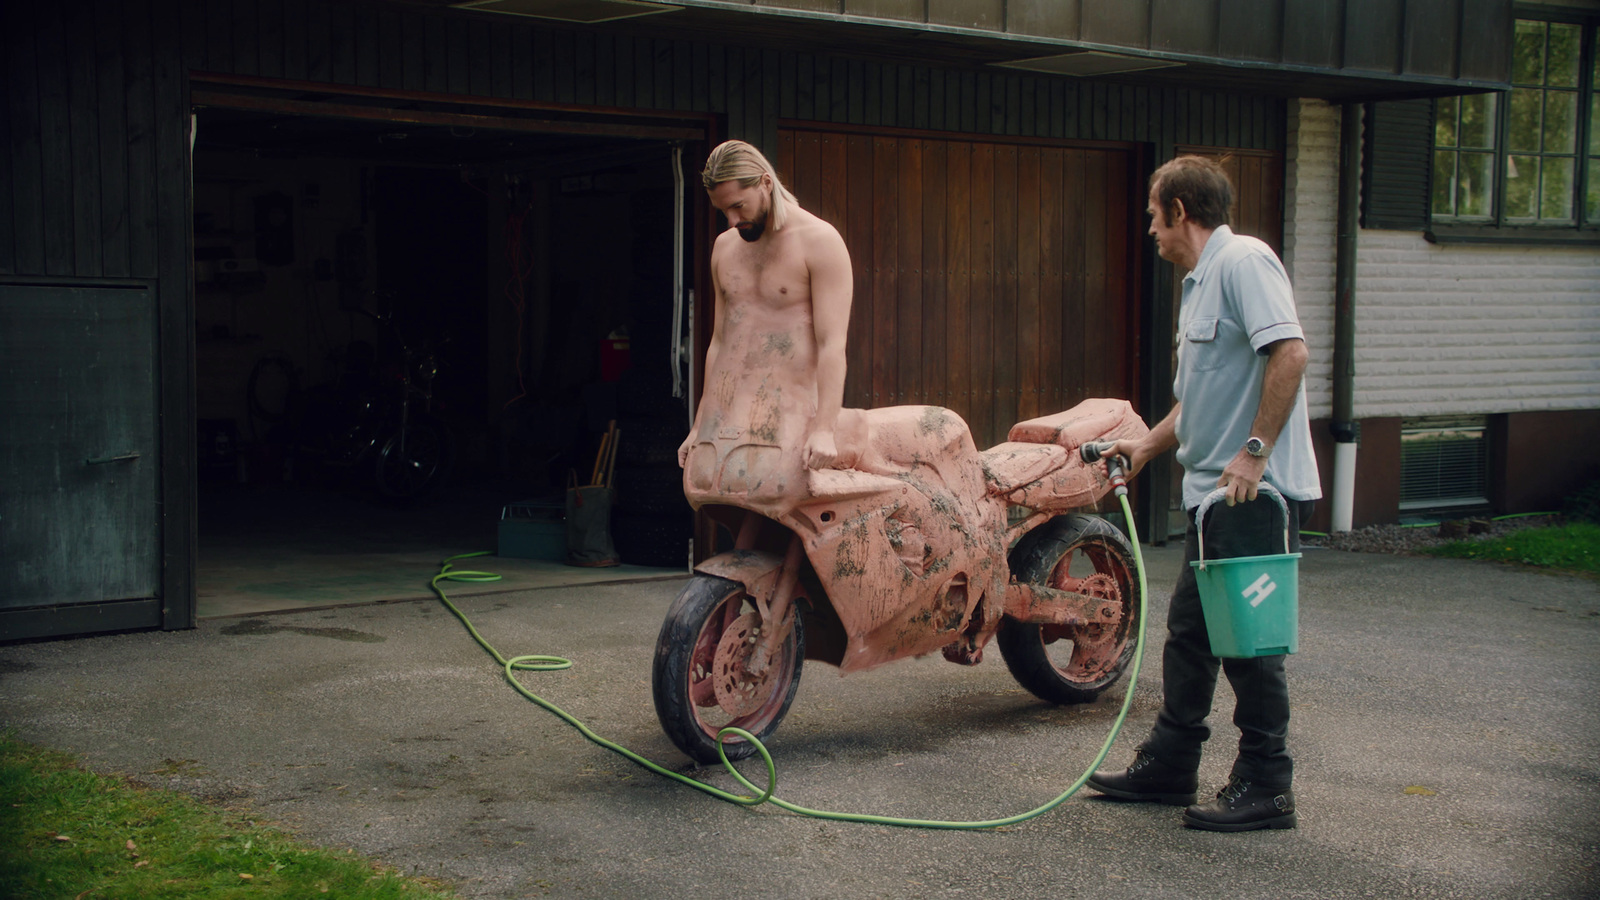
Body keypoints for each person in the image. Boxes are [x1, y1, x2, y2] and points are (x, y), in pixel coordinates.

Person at [1087, 155, 1321, 832]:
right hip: (1213, 501)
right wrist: (1145, 446)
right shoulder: (1199, 284)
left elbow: (1292, 353)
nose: (1151, 230)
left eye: (1154, 216)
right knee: (1192, 637)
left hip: (1253, 496)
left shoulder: (1244, 262)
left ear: (1180, 211)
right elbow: (1200, 399)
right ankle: (1171, 764)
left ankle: (1268, 786)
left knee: (1249, 645)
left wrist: (1254, 455)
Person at [677, 140, 852, 473]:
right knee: (723, 510)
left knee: (779, 520)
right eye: (723, 210)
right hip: (729, 418)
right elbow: (720, 342)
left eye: (738, 206)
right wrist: (700, 425)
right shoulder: (724, 248)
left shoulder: (820, 242)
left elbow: (832, 344)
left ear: (766, 184)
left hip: (794, 419)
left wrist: (825, 429)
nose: (731, 220)